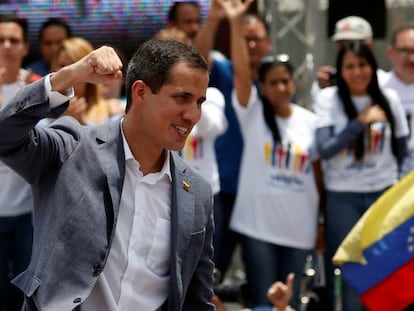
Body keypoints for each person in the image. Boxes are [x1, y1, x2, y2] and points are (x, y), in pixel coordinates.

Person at [0, 38, 215, 310]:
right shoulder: (73, 148)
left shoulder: (196, 192)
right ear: (140, 92)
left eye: (199, 102)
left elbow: (197, 299)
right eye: (182, 98)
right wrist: (69, 76)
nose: (193, 114)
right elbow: (5, 135)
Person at [220, 1, 323, 309]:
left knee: (292, 302)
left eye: (285, 80)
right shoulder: (252, 114)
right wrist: (236, 23)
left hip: (299, 228)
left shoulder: (310, 121)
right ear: (261, 87)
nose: (281, 87)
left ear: (294, 82)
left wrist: (321, 224)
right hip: (258, 227)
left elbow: (319, 177)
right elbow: (240, 70)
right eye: (273, 82)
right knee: (264, 298)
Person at [314, 41, 409, 311]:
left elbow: (403, 151)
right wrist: (360, 122)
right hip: (343, 198)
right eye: (350, 66)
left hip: (383, 196)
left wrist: (396, 192)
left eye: (363, 65)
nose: (358, 72)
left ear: (373, 66)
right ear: (341, 71)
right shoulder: (328, 100)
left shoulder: (388, 98)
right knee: (351, 272)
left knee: (384, 269)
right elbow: (326, 149)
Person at [194, 0, 273, 283]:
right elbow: (197, 63)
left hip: (263, 192)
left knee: (261, 278)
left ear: (270, 43)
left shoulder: (278, 80)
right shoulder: (225, 70)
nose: (251, 45)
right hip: (225, 187)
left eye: (257, 39)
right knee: (213, 269)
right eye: (246, 39)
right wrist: (216, 20)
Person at [0, 13, 39, 311]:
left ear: (26, 47)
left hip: (29, 209)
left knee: (27, 290)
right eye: (1, 40)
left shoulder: (36, 87)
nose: (7, 46)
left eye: (14, 40)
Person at [311, 15, 388, 107]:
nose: (347, 49)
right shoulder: (326, 82)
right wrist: (322, 88)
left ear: (369, 45)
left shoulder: (387, 82)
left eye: (353, 43)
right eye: (341, 44)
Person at [55, 36, 122, 125]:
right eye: (62, 66)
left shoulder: (112, 111)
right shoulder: (42, 111)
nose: (67, 73)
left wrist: (81, 123)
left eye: (74, 66)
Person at [384, 24, 414, 176]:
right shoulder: (379, 86)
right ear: (391, 52)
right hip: (390, 172)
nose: (411, 58)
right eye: (405, 51)